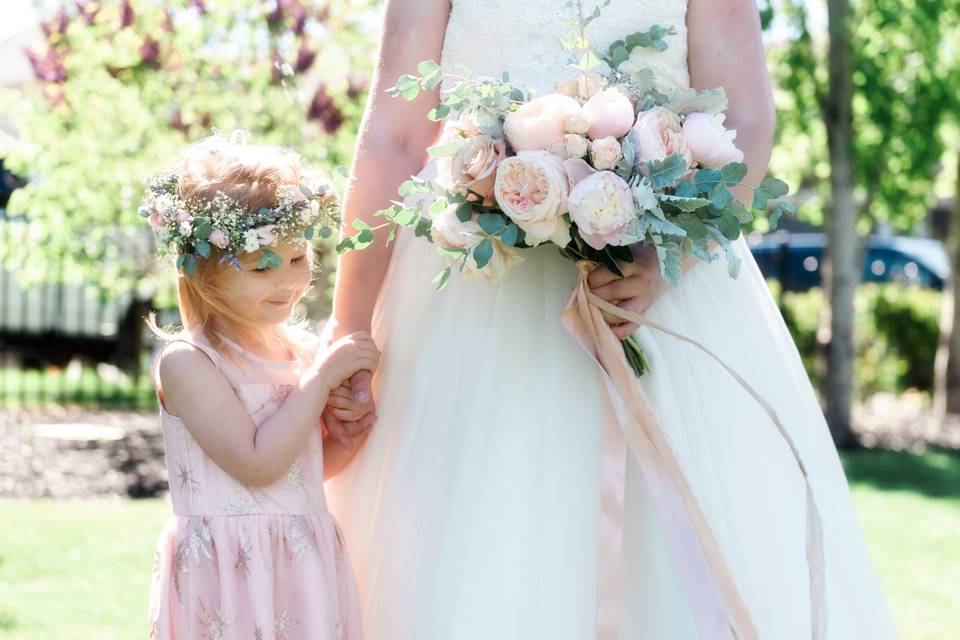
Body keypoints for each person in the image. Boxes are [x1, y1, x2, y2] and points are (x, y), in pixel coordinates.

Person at [324, 1, 897, 637]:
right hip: (467, 291)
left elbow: (746, 118)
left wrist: (663, 256)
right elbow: (393, 139)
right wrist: (350, 323)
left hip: (663, 291)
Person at [143, 133, 379, 639]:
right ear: (203, 271)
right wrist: (318, 383)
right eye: (262, 266)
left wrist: (343, 442)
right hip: (227, 568)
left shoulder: (300, 353)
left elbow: (297, 470)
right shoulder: (188, 362)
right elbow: (255, 465)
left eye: (297, 259)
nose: (287, 281)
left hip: (300, 558)